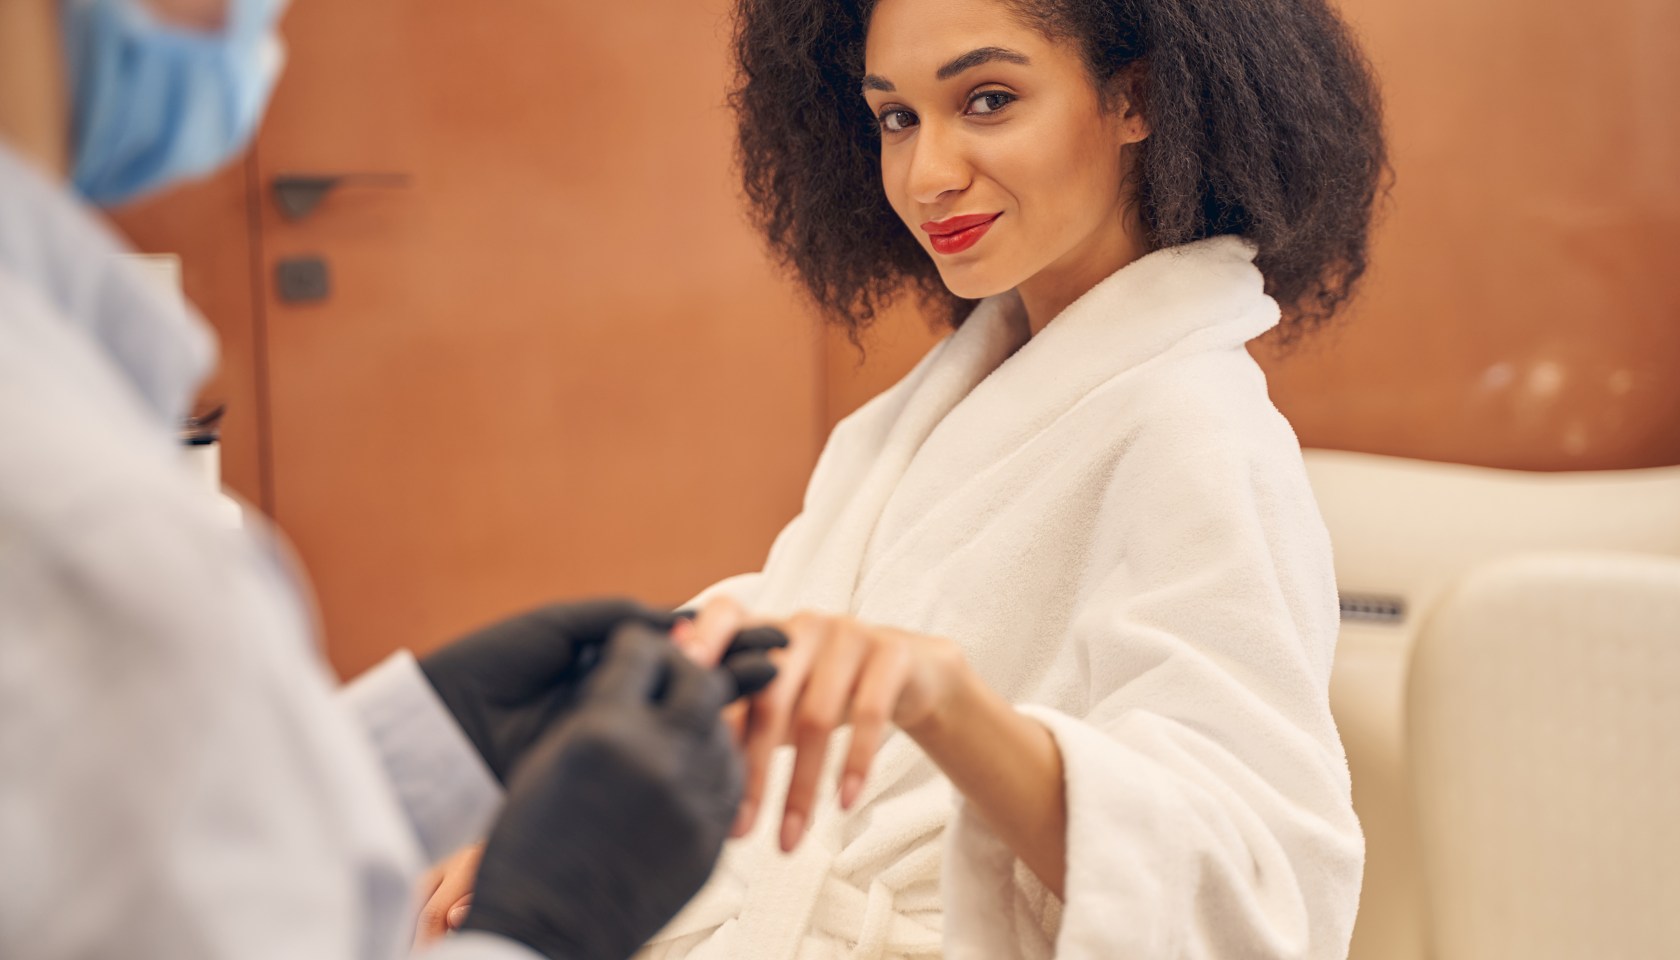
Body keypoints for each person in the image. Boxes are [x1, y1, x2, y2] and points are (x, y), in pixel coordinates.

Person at [426, 0, 1389, 956]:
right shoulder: (924, 414)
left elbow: (1251, 882)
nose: (927, 174)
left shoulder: (1199, 432)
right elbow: (789, 655)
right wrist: (565, 833)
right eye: (897, 117)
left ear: (1136, 97)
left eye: (988, 99)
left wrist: (950, 707)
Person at [0, 2, 780, 958]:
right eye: (896, 118)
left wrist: (423, 740)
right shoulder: (70, 519)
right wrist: (545, 927)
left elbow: (104, 839)